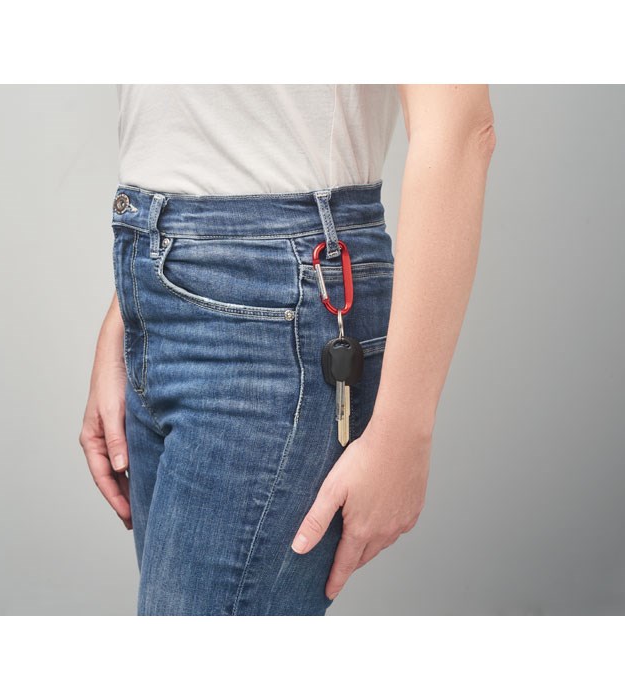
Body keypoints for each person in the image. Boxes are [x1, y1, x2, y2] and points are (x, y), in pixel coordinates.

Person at [79, 84, 496, 615]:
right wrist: (127, 314)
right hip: (156, 279)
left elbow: (459, 129)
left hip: (279, 306)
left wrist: (404, 434)